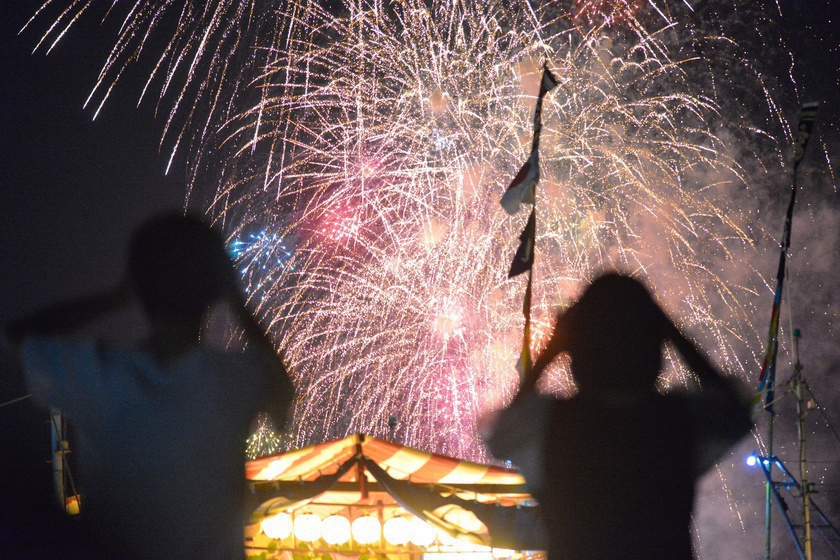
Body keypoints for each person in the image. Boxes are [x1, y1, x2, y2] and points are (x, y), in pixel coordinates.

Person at [5, 212, 295, 559]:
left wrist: (122, 294)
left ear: (139, 284)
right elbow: (282, 388)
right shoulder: (235, 380)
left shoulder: (98, 375)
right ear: (215, 287)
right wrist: (235, 298)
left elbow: (14, 338)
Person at [485, 272, 752, 560]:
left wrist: (552, 347)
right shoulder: (680, 420)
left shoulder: (547, 424)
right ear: (655, 348)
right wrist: (670, 331)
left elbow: (501, 432)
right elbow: (735, 410)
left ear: (576, 353)